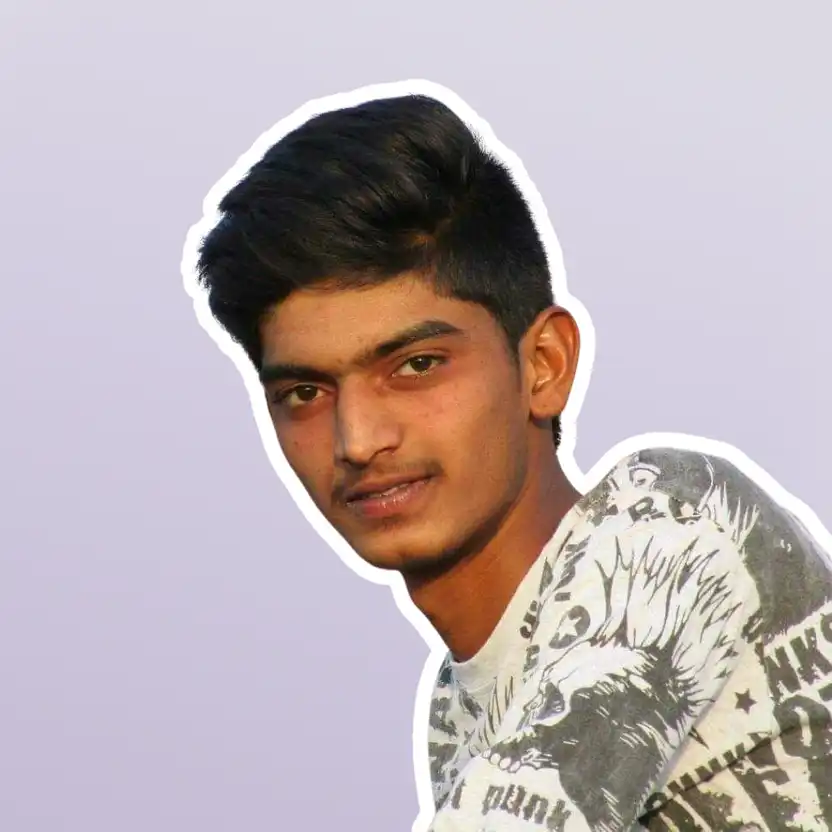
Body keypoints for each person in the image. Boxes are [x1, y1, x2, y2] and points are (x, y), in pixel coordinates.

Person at [185, 89, 832, 830]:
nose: (357, 440)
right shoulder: (461, 716)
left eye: (417, 365)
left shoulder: (675, 524)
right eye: (305, 392)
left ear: (544, 365)